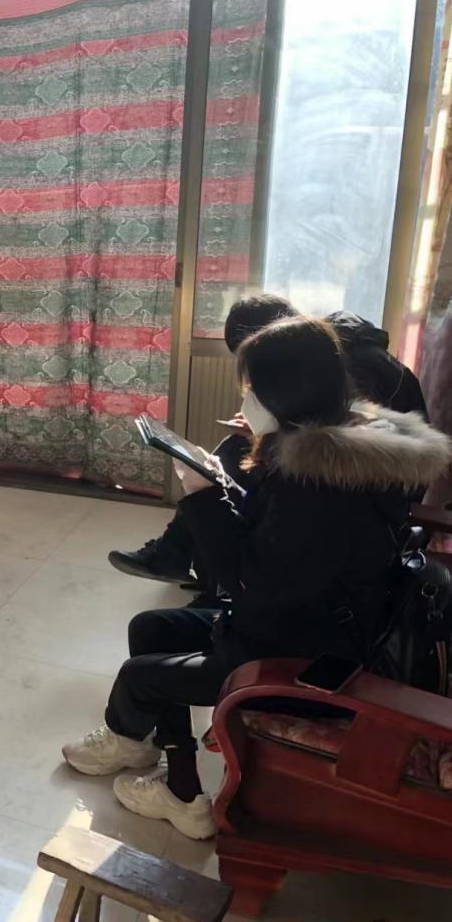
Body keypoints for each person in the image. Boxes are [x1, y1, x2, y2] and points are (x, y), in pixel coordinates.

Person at [63, 316, 451, 840]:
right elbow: (277, 542)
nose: (245, 400)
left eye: (252, 389)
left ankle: (158, 770)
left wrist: (201, 497)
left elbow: (245, 582)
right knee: (149, 628)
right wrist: (231, 476)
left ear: (287, 394)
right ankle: (164, 770)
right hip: (312, 622)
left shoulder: (316, 489)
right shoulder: (338, 450)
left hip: (303, 663)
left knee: (139, 675)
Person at [110, 294, 428, 585]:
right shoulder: (324, 350)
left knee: (234, 455)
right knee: (233, 453)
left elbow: (341, 440)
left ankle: (189, 550)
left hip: (375, 489)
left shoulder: (349, 365)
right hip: (356, 473)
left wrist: (265, 435)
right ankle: (185, 548)